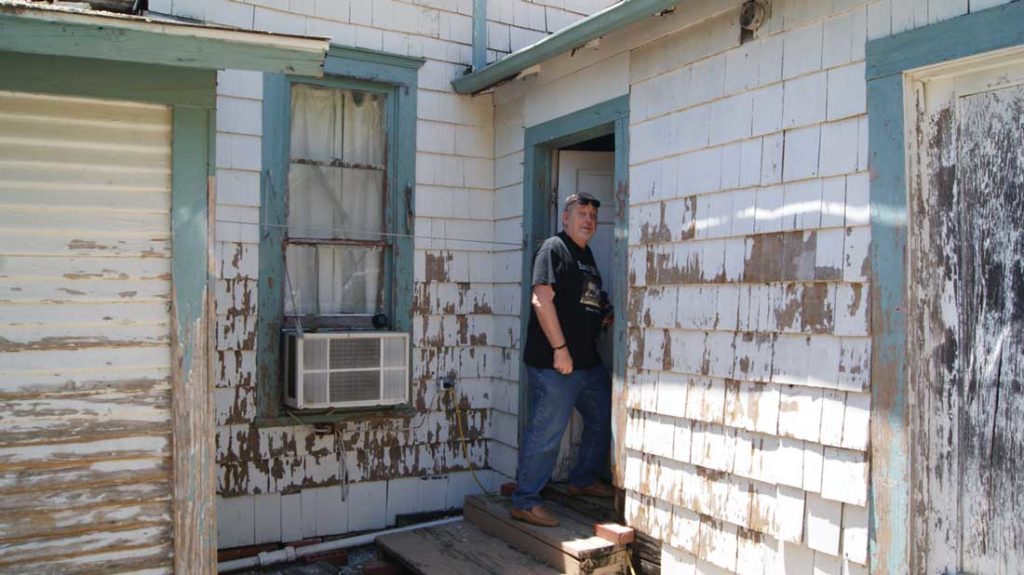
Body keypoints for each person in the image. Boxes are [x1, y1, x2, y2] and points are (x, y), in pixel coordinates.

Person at [510, 192, 614, 528]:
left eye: (593, 215)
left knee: (603, 415)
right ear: (565, 218)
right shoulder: (553, 248)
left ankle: (582, 478)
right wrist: (560, 348)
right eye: (581, 213)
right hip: (555, 363)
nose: (589, 220)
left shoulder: (587, 255)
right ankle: (525, 501)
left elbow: (582, 299)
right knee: (547, 431)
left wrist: (601, 314)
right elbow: (542, 300)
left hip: (587, 363)